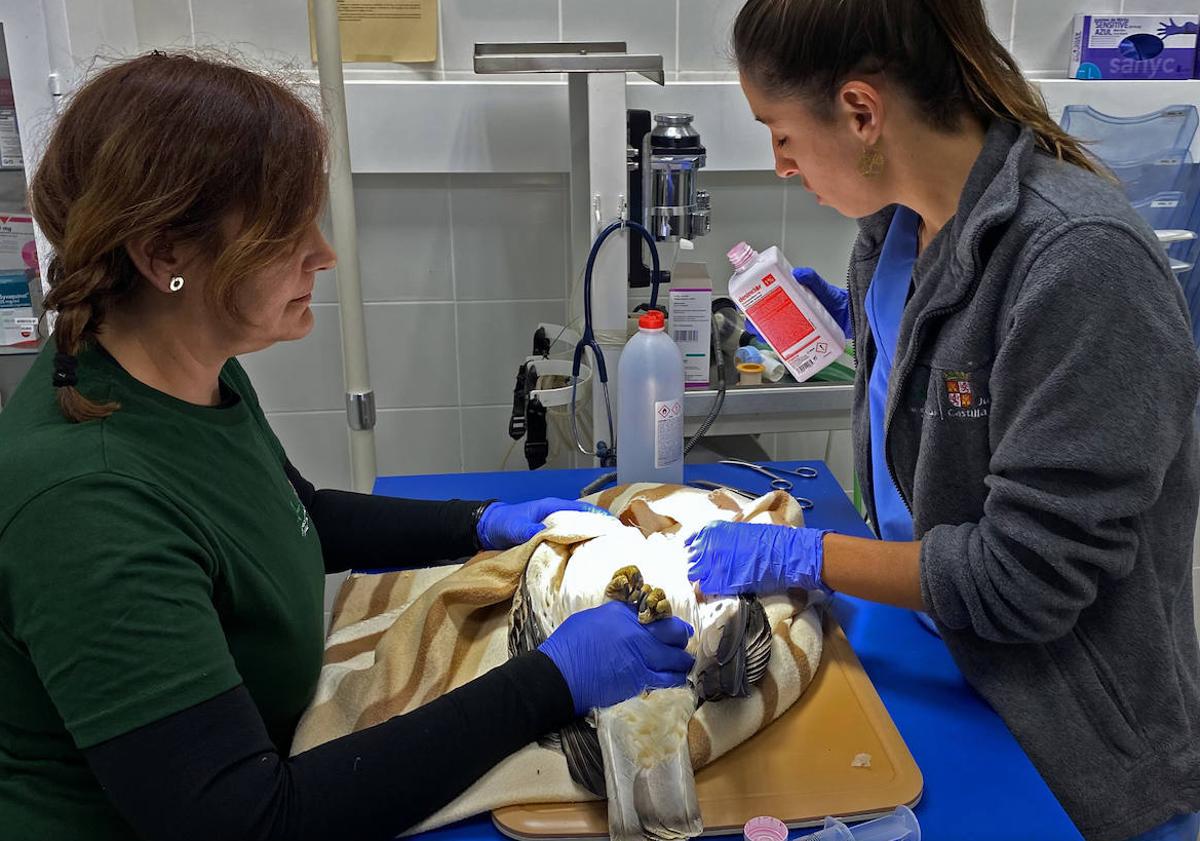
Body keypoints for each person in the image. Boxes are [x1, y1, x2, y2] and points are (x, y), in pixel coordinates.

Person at [0, 52, 694, 841]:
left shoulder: (184, 369)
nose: (324, 254)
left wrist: (480, 522)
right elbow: (251, 820)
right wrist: (551, 680)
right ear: (165, 258)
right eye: (284, 231)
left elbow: (296, 516)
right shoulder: (87, 505)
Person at [685, 2, 1200, 840]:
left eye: (779, 132)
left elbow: (1023, 579)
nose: (779, 164)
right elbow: (951, 399)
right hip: (941, 655)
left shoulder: (1082, 262)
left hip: (1067, 746)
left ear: (860, 111)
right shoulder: (895, 230)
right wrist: (866, 319)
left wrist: (805, 553)